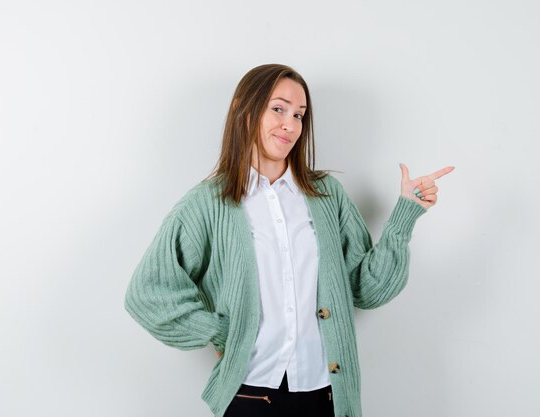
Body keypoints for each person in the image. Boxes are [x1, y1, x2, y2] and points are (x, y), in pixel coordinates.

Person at [124, 63, 454, 417]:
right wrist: (222, 332)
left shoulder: (326, 194)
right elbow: (147, 293)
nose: (290, 125)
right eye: (278, 109)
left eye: (299, 115)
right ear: (242, 109)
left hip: (327, 394)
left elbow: (366, 289)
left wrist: (405, 214)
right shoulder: (207, 203)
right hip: (251, 396)